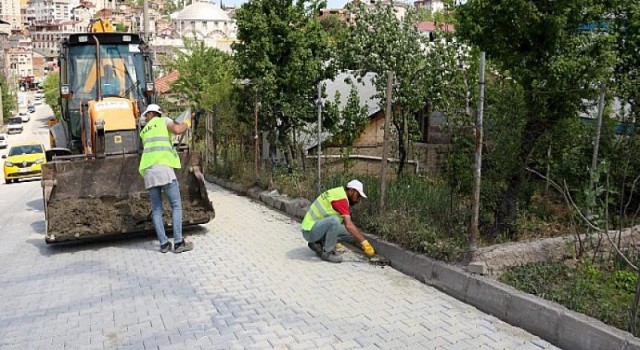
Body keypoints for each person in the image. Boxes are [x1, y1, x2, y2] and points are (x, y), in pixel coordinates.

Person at [138, 104, 193, 253]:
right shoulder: (163, 121)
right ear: (157, 113)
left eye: (147, 115)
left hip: (149, 172)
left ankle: (163, 244)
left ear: (150, 114)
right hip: (163, 169)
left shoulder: (144, 131)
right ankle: (178, 243)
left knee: (156, 209)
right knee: (176, 205)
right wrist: (187, 123)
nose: (146, 117)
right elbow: (177, 129)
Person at [301, 179, 376, 263]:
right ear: (351, 190)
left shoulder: (340, 194)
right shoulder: (341, 199)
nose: (358, 200)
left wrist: (359, 237)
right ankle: (328, 253)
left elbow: (347, 225)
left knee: (351, 234)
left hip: (317, 228)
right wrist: (365, 242)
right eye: (357, 196)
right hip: (310, 231)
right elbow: (348, 225)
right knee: (334, 220)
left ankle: (317, 243)